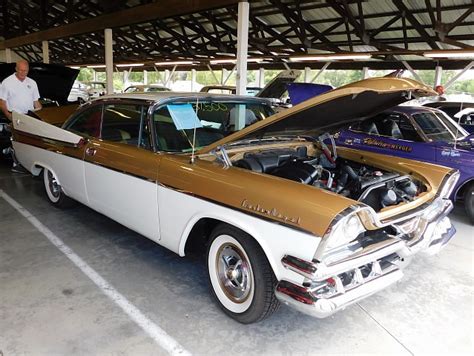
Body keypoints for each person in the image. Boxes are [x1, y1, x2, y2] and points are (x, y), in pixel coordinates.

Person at [0, 60, 42, 172]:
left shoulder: (32, 83)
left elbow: (36, 102)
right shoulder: (7, 83)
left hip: (29, 116)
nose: (24, 73)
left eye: (26, 71)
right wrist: (8, 115)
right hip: (15, 116)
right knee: (18, 140)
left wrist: (42, 115)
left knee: (30, 141)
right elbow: (2, 102)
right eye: (21, 70)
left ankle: (29, 162)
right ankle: (17, 164)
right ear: (16, 69)